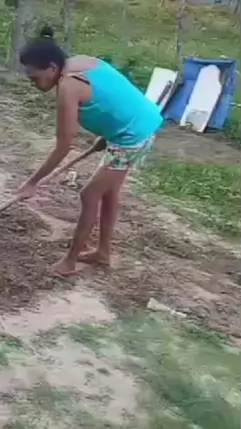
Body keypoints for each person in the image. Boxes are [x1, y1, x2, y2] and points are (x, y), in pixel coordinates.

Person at [16, 26, 163, 275]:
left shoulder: (68, 87)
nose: (34, 84)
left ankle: (70, 261)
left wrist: (32, 183)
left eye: (35, 78)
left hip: (132, 138)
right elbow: (112, 98)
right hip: (138, 125)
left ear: (52, 68)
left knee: (89, 195)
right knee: (109, 193)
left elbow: (64, 145)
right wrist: (105, 136)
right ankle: (103, 253)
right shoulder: (80, 62)